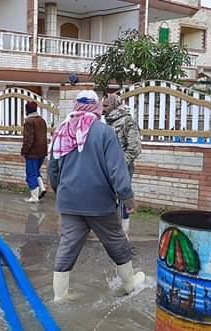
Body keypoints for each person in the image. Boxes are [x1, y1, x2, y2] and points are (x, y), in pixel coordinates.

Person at [48, 90, 145, 301]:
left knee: (67, 246)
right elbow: (117, 170)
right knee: (116, 242)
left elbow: (53, 169)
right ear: (97, 108)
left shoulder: (62, 131)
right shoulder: (104, 132)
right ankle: (130, 285)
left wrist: (62, 193)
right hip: (99, 202)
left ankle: (60, 296)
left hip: (69, 201)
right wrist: (127, 198)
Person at [102, 94, 142, 239]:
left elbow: (135, 148)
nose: (103, 109)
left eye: (106, 106)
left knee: (123, 196)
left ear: (114, 105)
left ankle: (124, 233)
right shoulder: (109, 122)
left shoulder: (127, 122)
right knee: (110, 198)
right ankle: (113, 230)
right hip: (108, 167)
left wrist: (119, 163)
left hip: (123, 167)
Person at [21, 101, 48, 203]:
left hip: (32, 153)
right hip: (42, 151)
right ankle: (42, 188)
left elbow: (28, 139)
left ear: (27, 110)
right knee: (36, 171)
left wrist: (24, 152)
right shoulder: (42, 120)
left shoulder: (29, 122)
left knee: (31, 174)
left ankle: (34, 197)